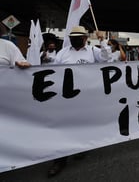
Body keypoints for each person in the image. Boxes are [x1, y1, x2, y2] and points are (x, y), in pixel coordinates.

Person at [47, 26, 111, 177]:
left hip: (86, 97)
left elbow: (106, 58)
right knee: (64, 127)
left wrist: (102, 40)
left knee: (82, 123)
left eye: (77, 37)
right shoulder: (63, 52)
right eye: (72, 37)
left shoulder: (92, 51)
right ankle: (60, 160)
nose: (74, 39)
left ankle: (80, 146)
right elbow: (53, 72)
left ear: (85, 38)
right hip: (66, 96)